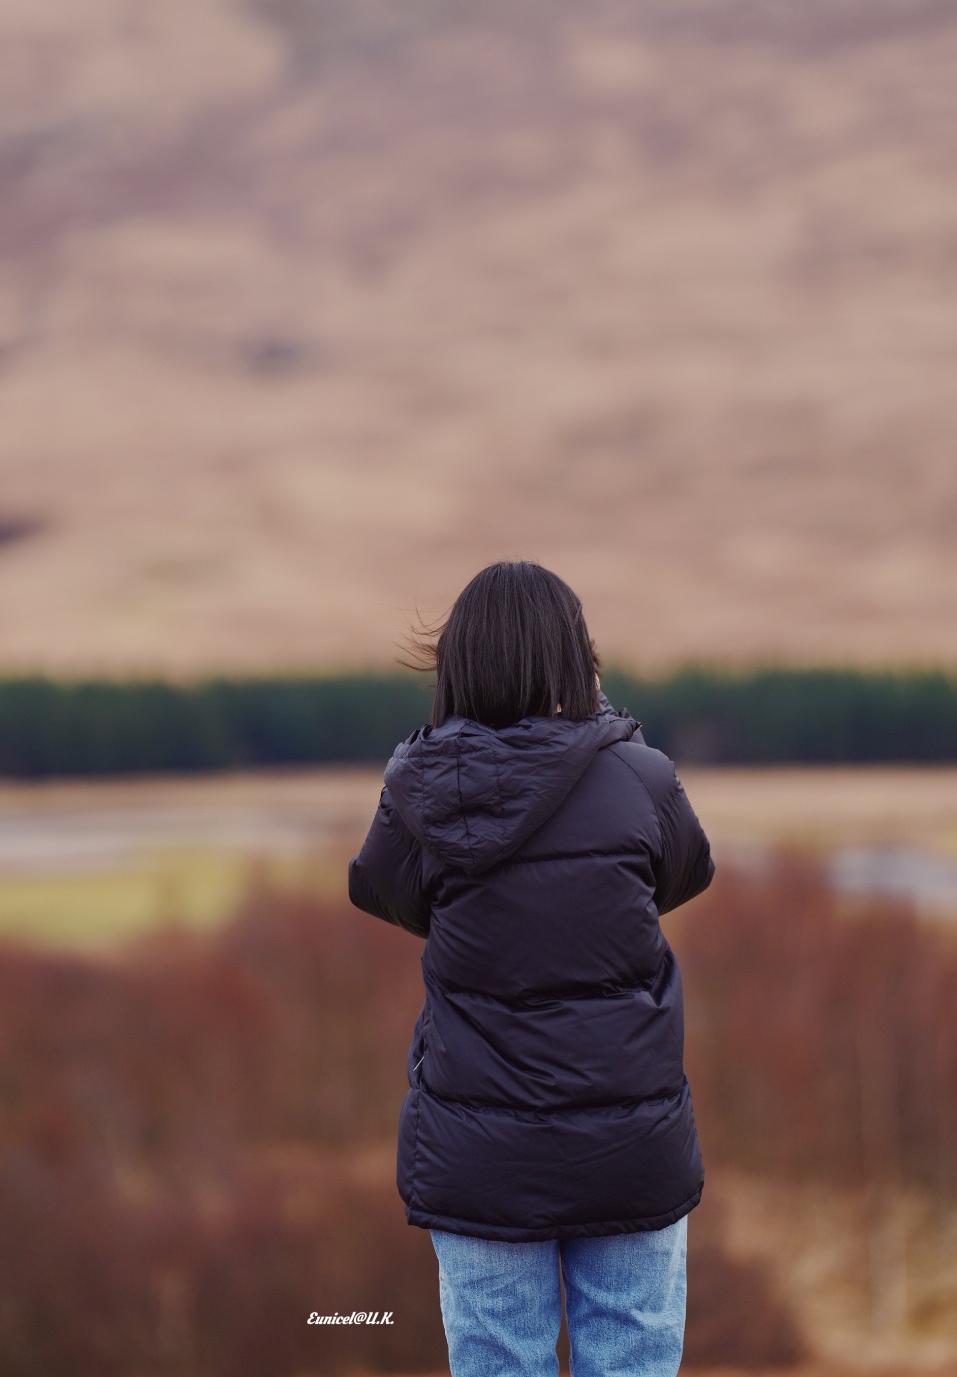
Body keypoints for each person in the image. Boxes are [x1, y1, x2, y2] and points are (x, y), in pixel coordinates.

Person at [348, 561, 714, 1377]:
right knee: (632, 1364)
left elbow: (384, 893)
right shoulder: (639, 776)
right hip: (632, 1142)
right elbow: (685, 876)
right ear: (573, 657)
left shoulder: (420, 788)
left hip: (479, 1155)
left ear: (458, 664)